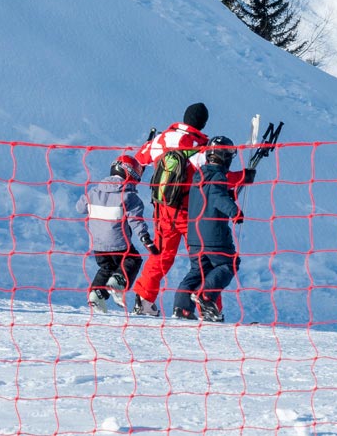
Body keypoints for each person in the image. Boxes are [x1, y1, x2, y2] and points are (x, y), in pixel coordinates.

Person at [130, 103, 252, 317]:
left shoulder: (163, 138)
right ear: (203, 123)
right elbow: (213, 176)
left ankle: (144, 298)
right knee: (206, 258)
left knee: (161, 255)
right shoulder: (201, 147)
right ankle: (208, 306)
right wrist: (243, 176)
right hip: (191, 213)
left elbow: (141, 158)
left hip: (162, 209)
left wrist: (151, 142)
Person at [172, 136, 246, 322]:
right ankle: (205, 295)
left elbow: (212, 194)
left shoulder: (199, 175)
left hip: (194, 236)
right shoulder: (218, 176)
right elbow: (217, 196)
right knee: (229, 263)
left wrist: (229, 194)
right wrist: (234, 211)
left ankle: (182, 307)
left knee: (198, 271)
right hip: (214, 235)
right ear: (223, 156)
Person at [75, 155, 158, 312]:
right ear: (130, 175)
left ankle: (96, 294)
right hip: (119, 243)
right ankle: (118, 283)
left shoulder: (94, 192)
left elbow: (80, 208)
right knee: (133, 260)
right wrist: (146, 239)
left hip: (98, 244)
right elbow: (136, 221)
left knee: (106, 268)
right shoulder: (129, 196)